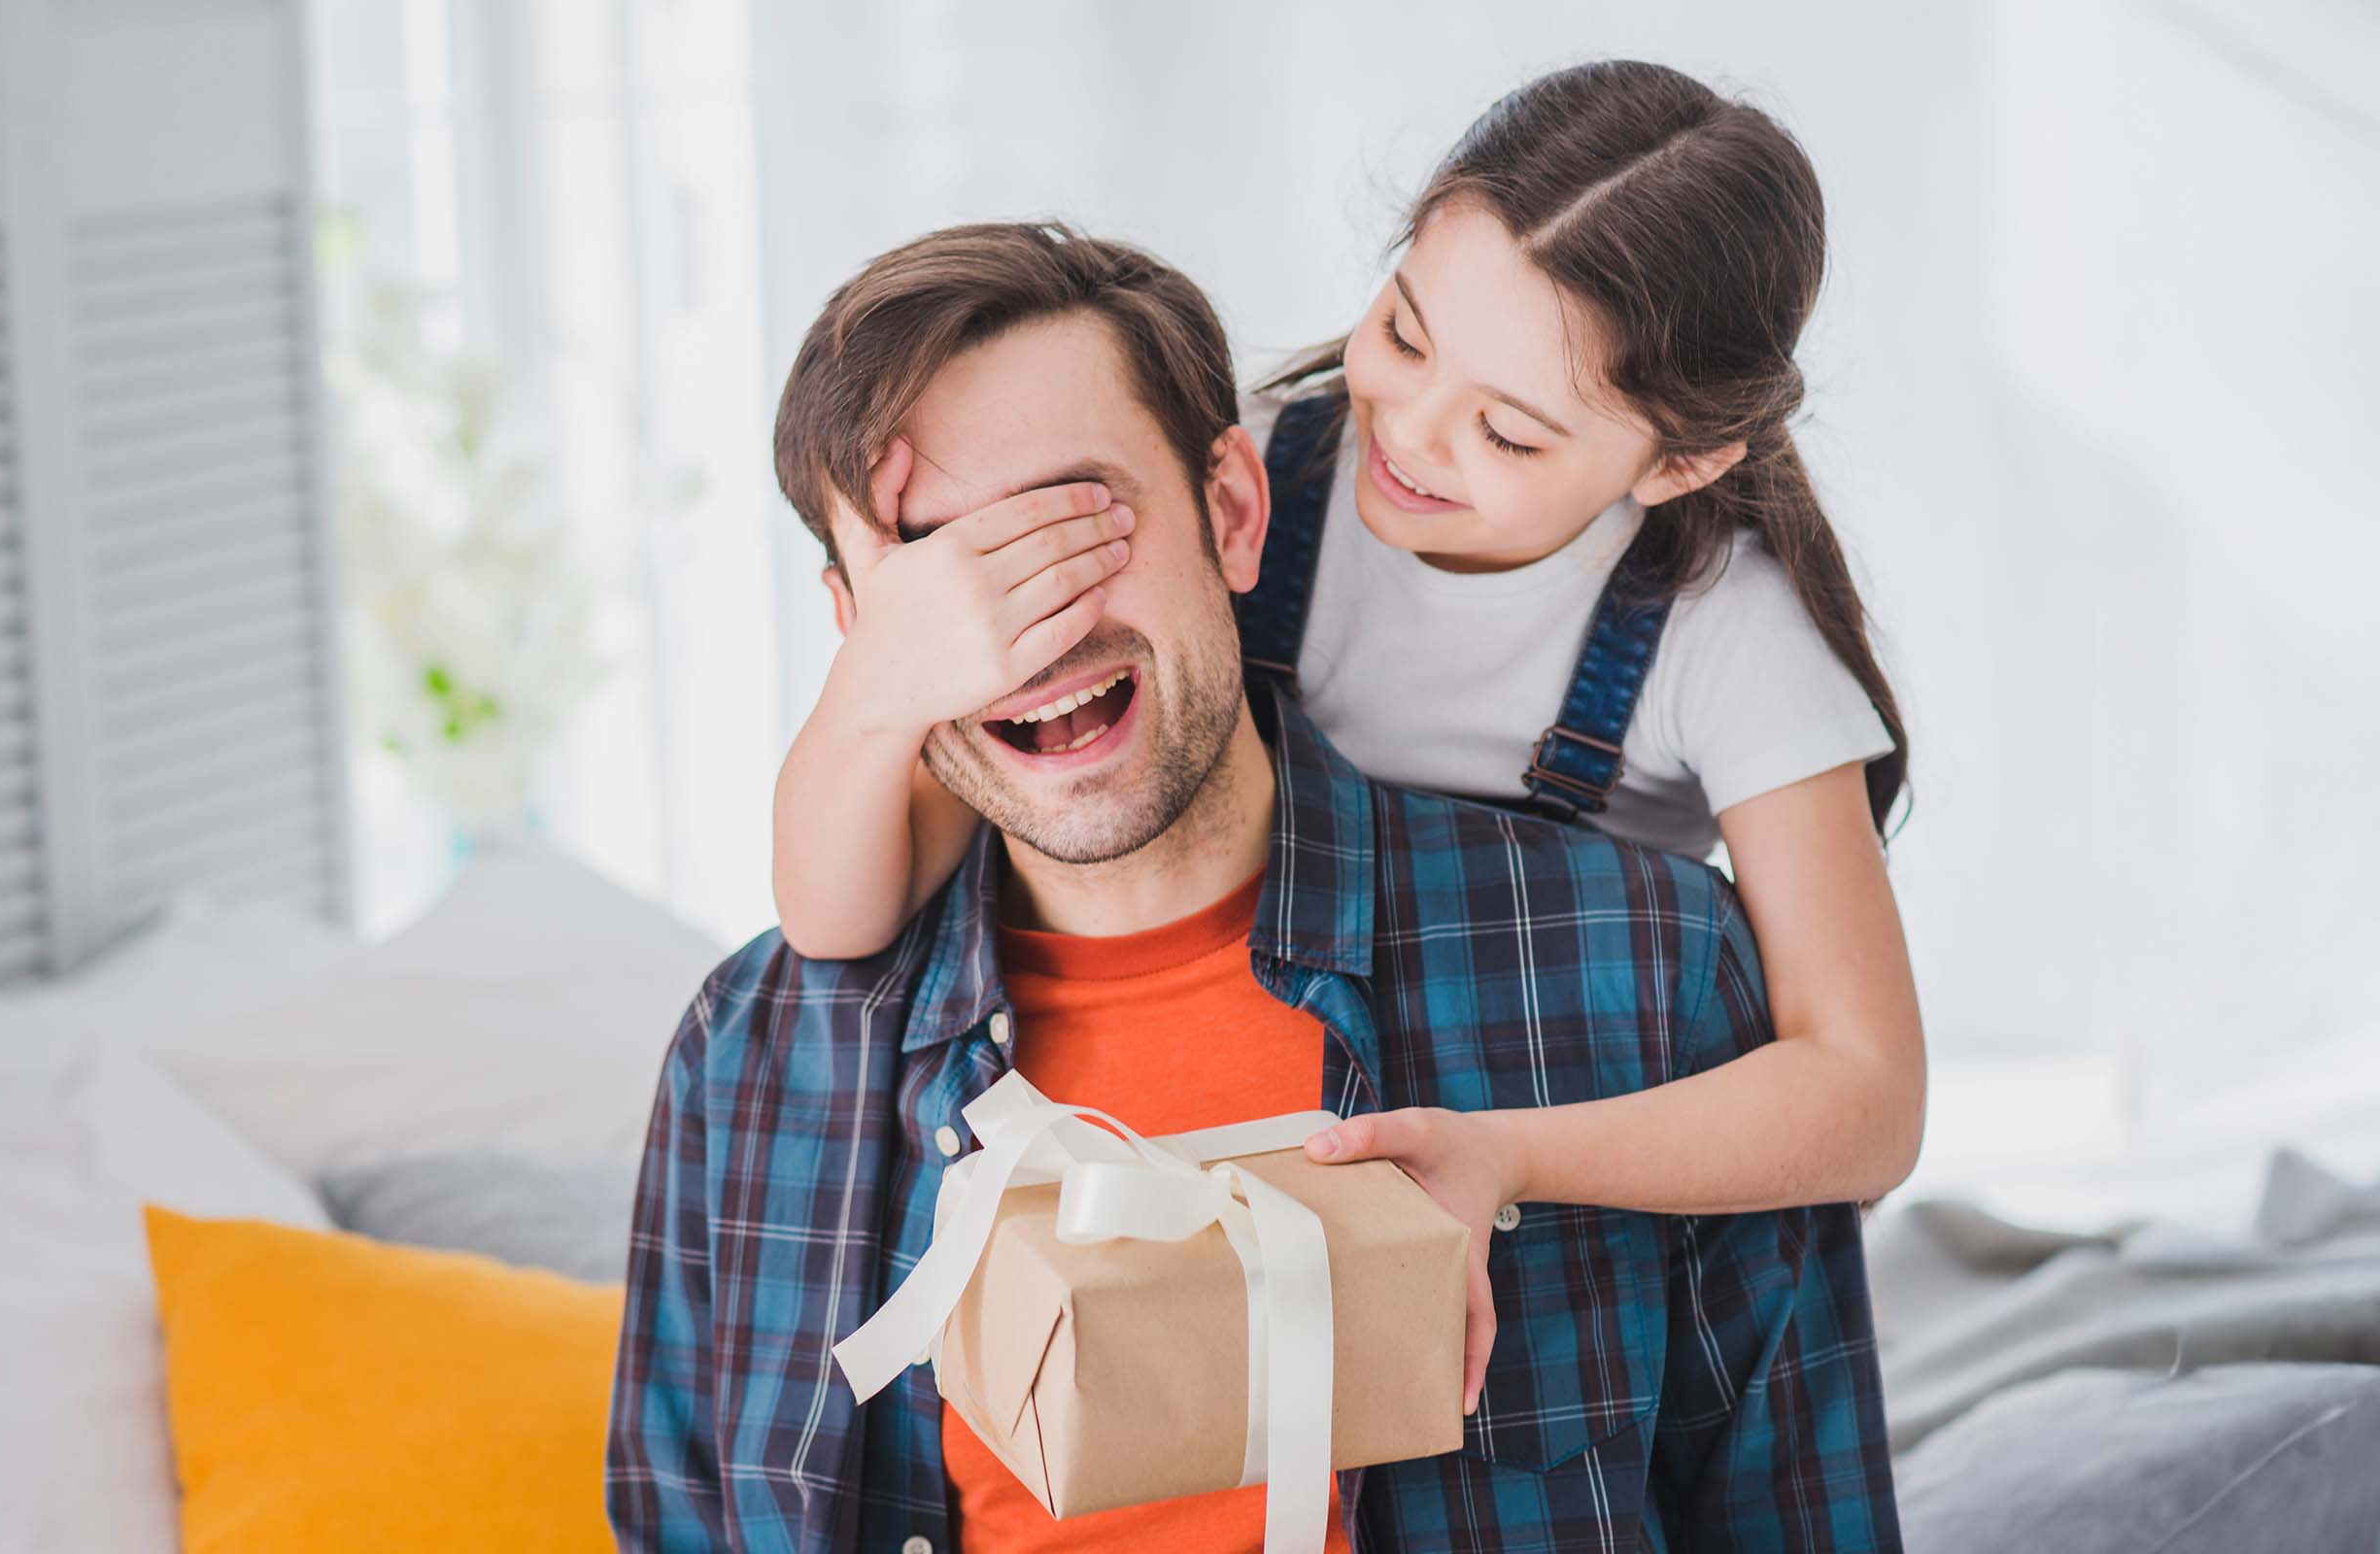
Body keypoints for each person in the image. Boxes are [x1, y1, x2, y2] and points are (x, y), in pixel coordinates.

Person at [607, 212, 1900, 1551]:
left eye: (1073, 525)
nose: (1026, 627)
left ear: (1233, 512)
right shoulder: (751, 1059)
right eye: (938, 564)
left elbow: (1802, 1508)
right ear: (857, 631)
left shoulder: (1650, 978)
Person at [767, 61, 1927, 1358]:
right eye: (1406, 335)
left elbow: (1869, 1098)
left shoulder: (1729, 635)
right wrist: (878, 681)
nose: (1412, 434)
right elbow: (840, 912)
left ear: (1679, 461)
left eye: (1510, 433)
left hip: (1540, 1145)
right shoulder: (1246, 473)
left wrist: (1508, 1156)